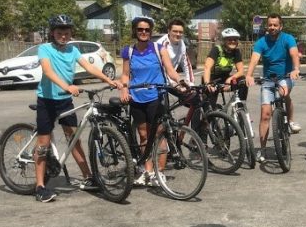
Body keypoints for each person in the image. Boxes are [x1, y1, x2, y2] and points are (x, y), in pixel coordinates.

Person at [32, 14, 122, 203]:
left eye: (66, 33)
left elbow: (90, 68)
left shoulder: (73, 50)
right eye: (59, 33)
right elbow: (48, 71)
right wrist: (66, 86)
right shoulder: (45, 49)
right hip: (47, 100)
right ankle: (40, 186)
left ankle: (89, 177)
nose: (63, 36)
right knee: (43, 145)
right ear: (52, 33)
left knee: (74, 139)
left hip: (65, 101)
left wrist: (109, 80)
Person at [120, 16, 185, 187]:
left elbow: (170, 70)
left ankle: (160, 172)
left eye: (147, 30)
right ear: (135, 31)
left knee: (159, 134)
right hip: (137, 97)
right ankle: (148, 171)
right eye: (140, 29)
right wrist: (124, 88)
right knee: (143, 135)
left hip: (156, 96)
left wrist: (180, 83)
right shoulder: (129, 51)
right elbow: (125, 74)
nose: (143, 32)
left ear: (151, 32)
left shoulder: (159, 49)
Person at [245, 13, 301, 162]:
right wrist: (249, 75)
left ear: (280, 26)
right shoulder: (261, 42)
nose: (272, 27)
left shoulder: (288, 38)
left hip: (285, 77)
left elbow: (294, 54)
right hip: (268, 80)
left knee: (284, 92)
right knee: (265, 114)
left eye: (275, 25)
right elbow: (254, 59)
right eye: (270, 25)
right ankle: (262, 150)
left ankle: (290, 121)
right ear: (267, 26)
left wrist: (296, 69)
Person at [203, 27, 246, 105]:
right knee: (209, 108)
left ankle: (240, 105)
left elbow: (241, 71)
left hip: (225, 79)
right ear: (224, 41)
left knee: (243, 81)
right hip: (211, 79)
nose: (233, 41)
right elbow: (207, 67)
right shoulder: (217, 49)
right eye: (229, 39)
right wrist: (208, 83)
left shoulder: (236, 51)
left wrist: (230, 78)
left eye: (235, 39)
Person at [155, 18, 195, 85]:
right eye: (175, 31)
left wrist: (190, 82)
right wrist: (173, 82)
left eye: (180, 32)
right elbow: (161, 67)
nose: (178, 34)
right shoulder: (161, 44)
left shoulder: (182, 44)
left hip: (172, 77)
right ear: (169, 31)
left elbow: (186, 64)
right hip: (159, 79)